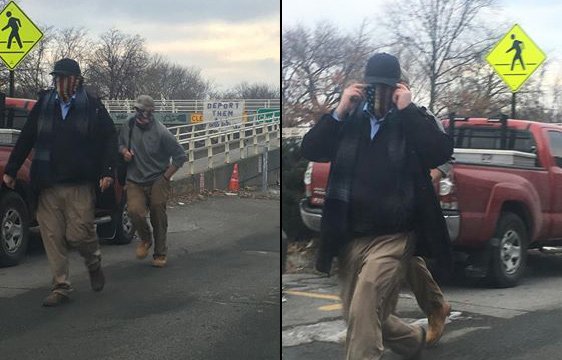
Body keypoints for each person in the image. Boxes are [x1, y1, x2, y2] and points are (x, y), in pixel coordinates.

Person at [301, 52, 453, 359]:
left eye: (386, 86)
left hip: (394, 235)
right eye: (374, 86)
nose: (379, 93)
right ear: (364, 85)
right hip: (351, 233)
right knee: (357, 313)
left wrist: (408, 110)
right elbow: (311, 148)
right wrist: (339, 110)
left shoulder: (413, 118)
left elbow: (440, 152)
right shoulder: (349, 119)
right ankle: (412, 341)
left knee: (368, 295)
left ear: (398, 86)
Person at [3, 58, 117, 307]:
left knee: (78, 234)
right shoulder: (45, 104)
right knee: (52, 236)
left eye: (66, 77)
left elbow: (110, 137)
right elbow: (27, 136)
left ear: (77, 81)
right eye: (57, 77)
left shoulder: (92, 106)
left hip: (79, 183)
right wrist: (12, 169)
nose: (61, 82)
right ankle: (60, 286)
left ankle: (93, 261)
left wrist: (108, 170)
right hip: (47, 183)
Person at [119, 95, 187, 267]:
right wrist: (124, 152)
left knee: (157, 210)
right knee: (134, 211)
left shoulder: (162, 132)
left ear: (151, 113)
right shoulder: (129, 124)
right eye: (137, 110)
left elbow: (180, 156)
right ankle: (145, 239)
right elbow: (119, 144)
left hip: (158, 177)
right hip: (134, 178)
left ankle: (160, 252)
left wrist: (166, 177)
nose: (139, 114)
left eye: (143, 111)